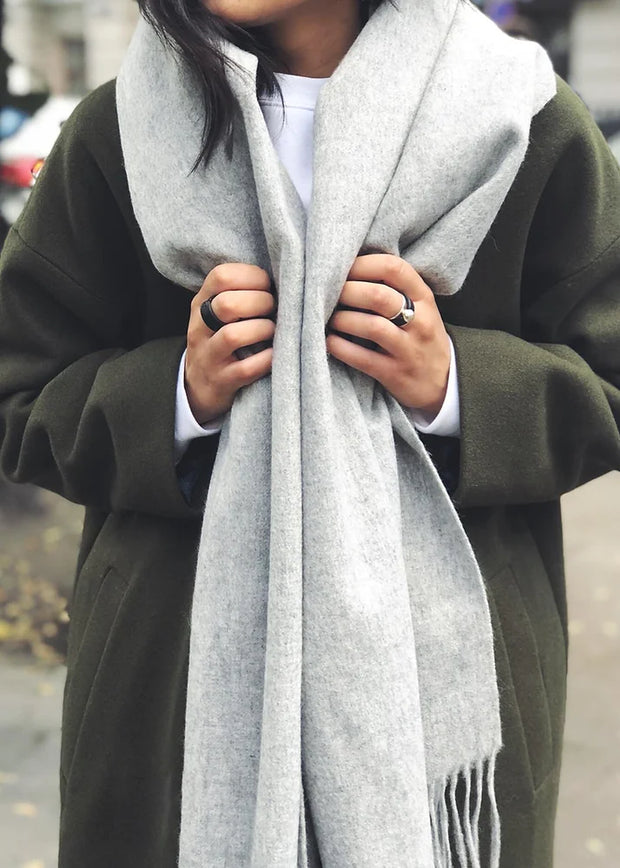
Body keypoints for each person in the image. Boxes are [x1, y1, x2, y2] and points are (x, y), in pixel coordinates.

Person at [0, 0, 619, 865]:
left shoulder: (522, 121)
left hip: (443, 700)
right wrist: (179, 395)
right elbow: (21, 388)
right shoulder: (120, 129)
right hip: (170, 693)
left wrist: (457, 387)